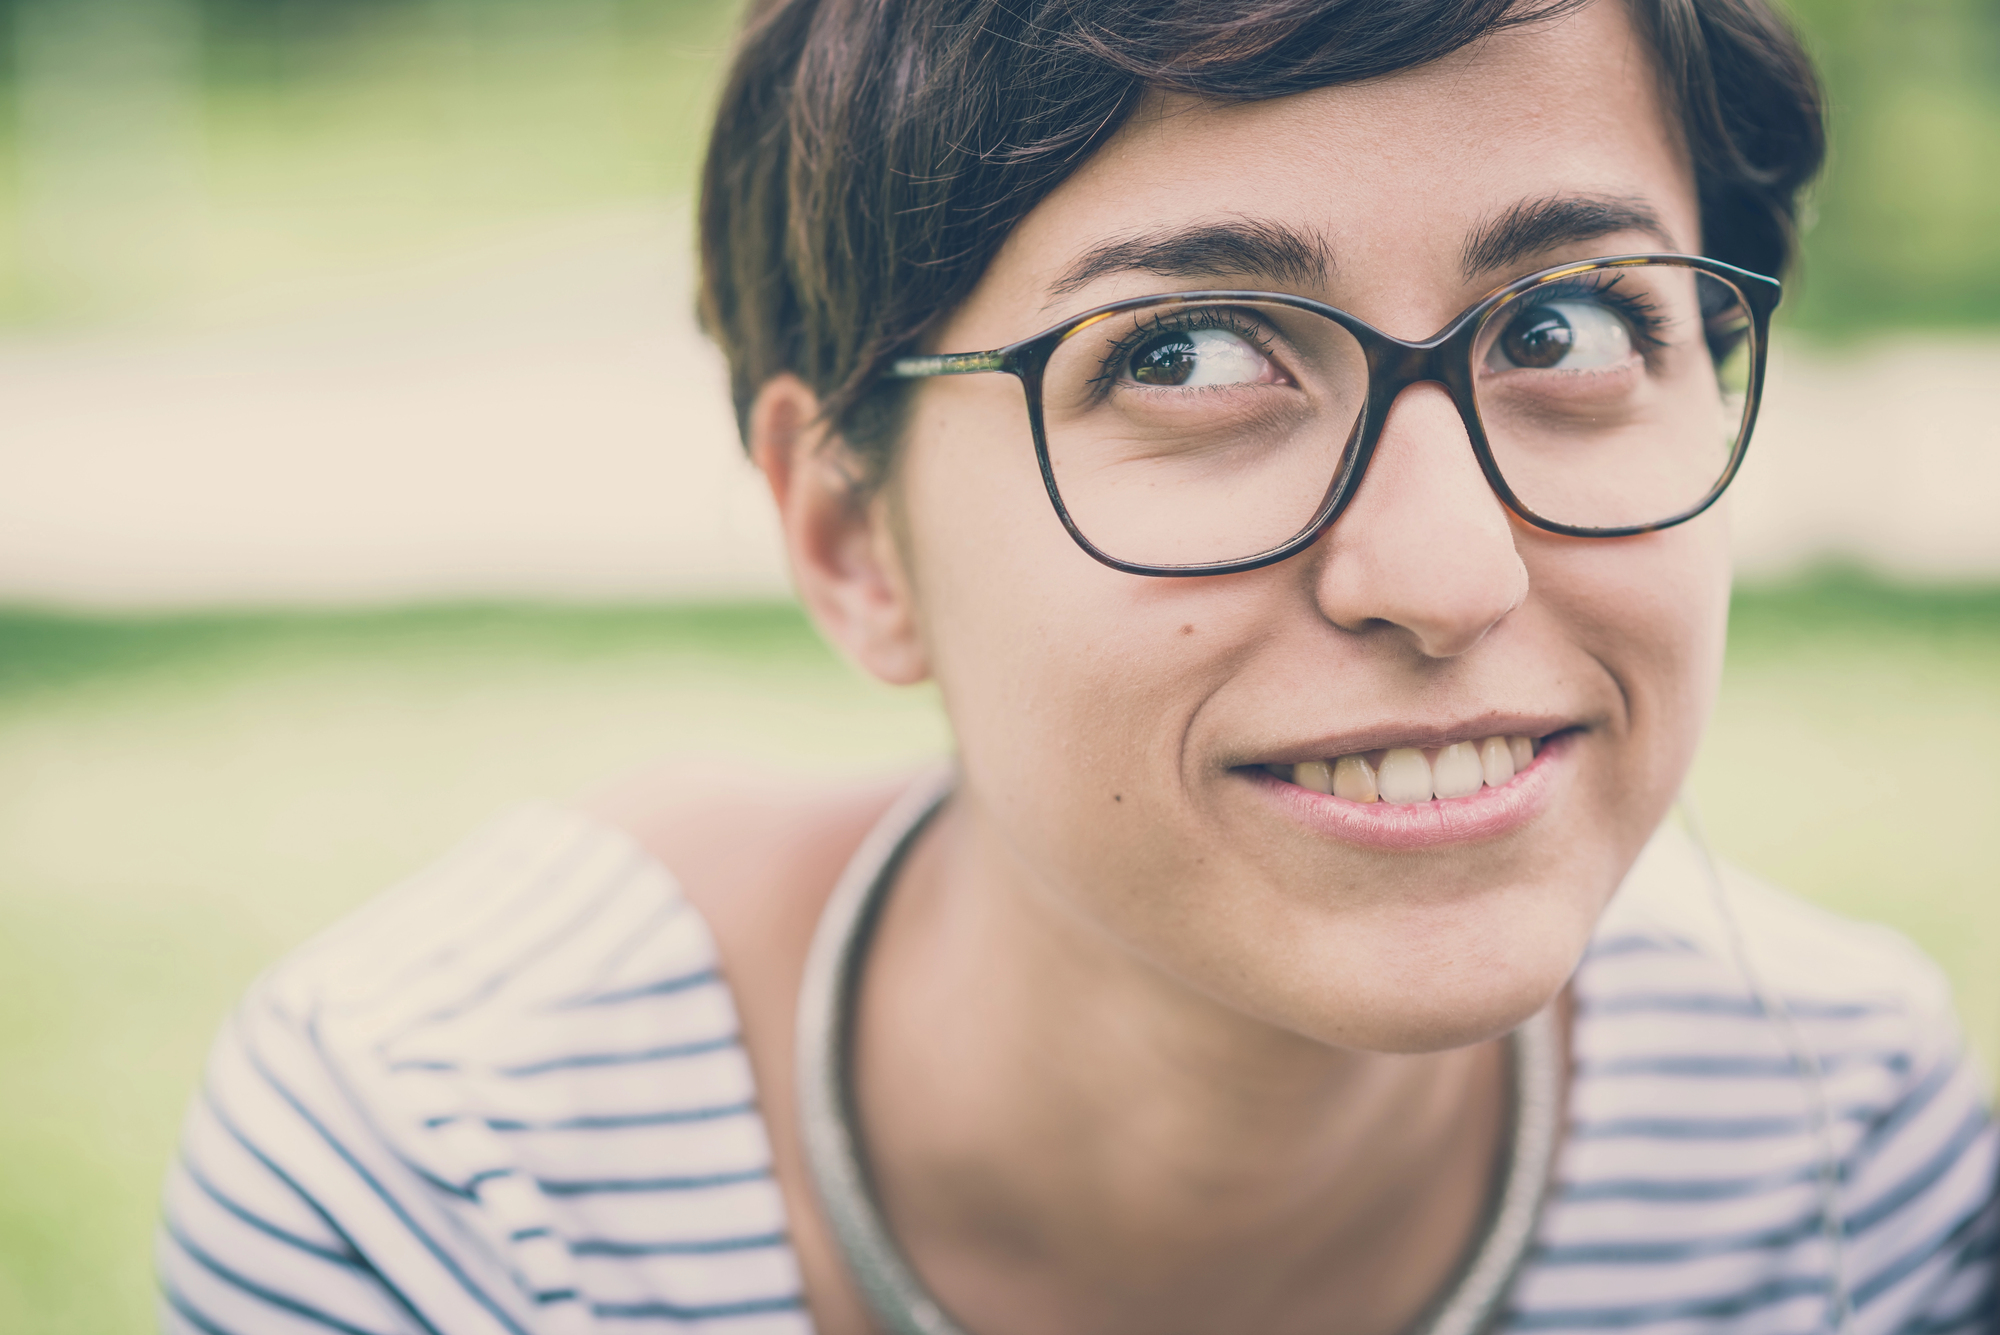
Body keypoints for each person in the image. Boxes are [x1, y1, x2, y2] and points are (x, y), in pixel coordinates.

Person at [156, 0, 1998, 1331]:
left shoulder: (1840, 1159)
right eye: (1188, 356)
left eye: (1568, 320)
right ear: (848, 539)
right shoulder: (453, 1172)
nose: (1448, 570)